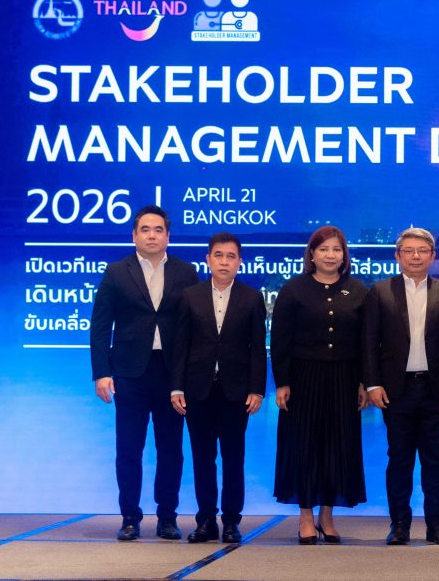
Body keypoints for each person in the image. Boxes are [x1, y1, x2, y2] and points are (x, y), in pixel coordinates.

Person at [90, 205, 199, 541]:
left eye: (158, 230)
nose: (152, 235)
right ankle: (130, 517)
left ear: (168, 236)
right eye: (145, 230)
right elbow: (100, 325)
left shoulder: (186, 272)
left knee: (171, 449)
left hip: (172, 374)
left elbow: (196, 325)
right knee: (129, 448)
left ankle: (167, 517)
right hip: (129, 373)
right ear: (134, 235)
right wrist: (101, 372)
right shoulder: (116, 272)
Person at [363, 228, 439, 546]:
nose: (415, 256)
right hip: (397, 390)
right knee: (399, 459)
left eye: (422, 250)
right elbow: (369, 343)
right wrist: (373, 384)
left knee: (435, 459)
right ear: (398, 256)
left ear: (432, 256)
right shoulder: (380, 292)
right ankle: (399, 525)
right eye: (408, 251)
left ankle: (437, 525)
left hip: (436, 390)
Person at [272, 226, 369, 544]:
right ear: (312, 254)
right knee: (305, 446)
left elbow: (366, 343)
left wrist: (364, 382)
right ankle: (305, 517)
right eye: (324, 249)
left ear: (344, 255)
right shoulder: (294, 289)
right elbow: (280, 340)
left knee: (337, 446)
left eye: (336, 249)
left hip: (344, 378)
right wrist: (282, 382)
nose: (330, 255)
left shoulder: (357, 290)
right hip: (304, 379)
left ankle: (327, 516)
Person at [170, 232, 267, 544]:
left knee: (233, 459)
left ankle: (231, 522)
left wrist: (257, 389)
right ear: (208, 259)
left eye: (231, 257)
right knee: (202, 459)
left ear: (240, 262)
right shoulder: (190, 296)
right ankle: (206, 521)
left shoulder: (252, 298)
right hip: (197, 391)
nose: (224, 262)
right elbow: (180, 345)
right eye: (219, 255)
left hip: (236, 393)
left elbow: (257, 348)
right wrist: (176, 387)